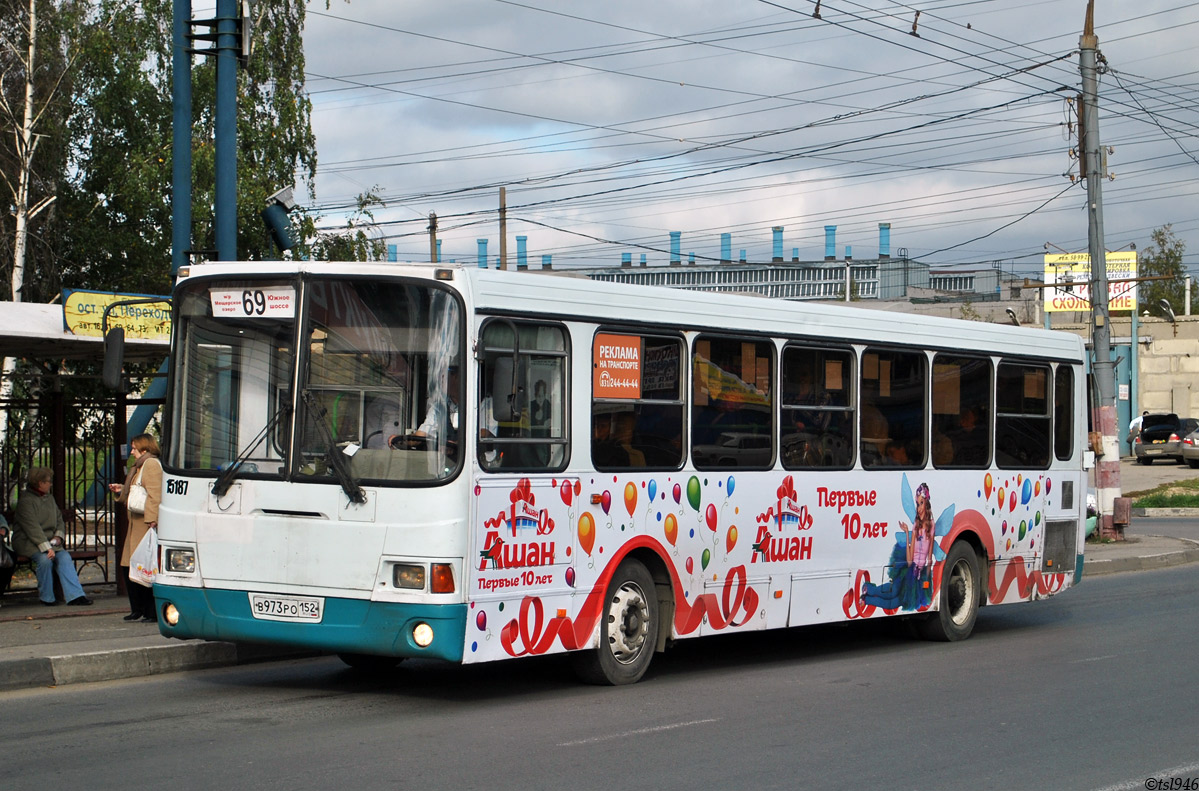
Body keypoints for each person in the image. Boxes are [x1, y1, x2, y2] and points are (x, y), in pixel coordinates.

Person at [11, 467, 92, 607]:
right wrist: (47, 548)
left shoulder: (49, 498)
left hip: (50, 541)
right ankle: (47, 597)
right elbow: (32, 529)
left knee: (65, 557)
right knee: (45, 560)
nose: (50, 484)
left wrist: (58, 537)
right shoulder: (26, 502)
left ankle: (76, 596)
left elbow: (59, 520)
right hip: (28, 542)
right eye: (48, 481)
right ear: (39, 483)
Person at [108, 434, 163, 622]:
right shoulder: (139, 465)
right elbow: (139, 490)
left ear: (144, 449)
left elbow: (155, 494)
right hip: (136, 524)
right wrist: (122, 489)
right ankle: (137, 608)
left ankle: (150, 611)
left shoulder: (151, 465)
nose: (131, 452)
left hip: (144, 524)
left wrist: (152, 519)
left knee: (144, 567)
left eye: (134, 448)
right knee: (129, 566)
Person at [862, 482, 936, 611]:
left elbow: (929, 556)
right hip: (909, 571)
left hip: (920, 576)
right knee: (892, 592)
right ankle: (870, 589)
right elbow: (909, 559)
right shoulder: (916, 525)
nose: (919, 507)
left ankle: (866, 599)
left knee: (894, 602)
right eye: (917, 504)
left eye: (921, 503)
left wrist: (926, 579)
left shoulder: (931, 525)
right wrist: (907, 534)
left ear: (927, 503)